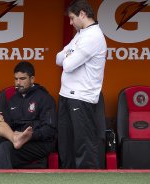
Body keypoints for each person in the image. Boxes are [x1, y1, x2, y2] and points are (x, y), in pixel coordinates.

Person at [56, 0, 107, 169]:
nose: (70, 22)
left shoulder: (93, 36)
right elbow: (58, 58)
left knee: (83, 146)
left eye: (72, 18)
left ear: (83, 14)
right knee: (66, 145)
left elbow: (67, 65)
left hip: (82, 97)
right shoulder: (80, 34)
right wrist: (70, 53)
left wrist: (68, 53)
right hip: (66, 95)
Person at [0, 61, 57, 169]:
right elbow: (7, 124)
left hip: (39, 143)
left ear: (32, 79)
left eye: (22, 79)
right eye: (16, 79)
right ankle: (8, 173)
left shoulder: (44, 98)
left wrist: (29, 135)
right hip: (15, 141)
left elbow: (50, 130)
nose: (18, 82)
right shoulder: (12, 100)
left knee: (6, 147)